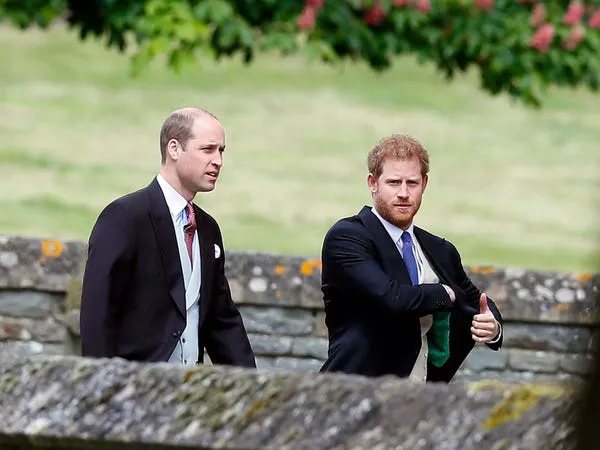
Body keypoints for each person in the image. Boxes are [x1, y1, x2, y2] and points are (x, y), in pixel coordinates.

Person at [80, 107, 256, 368]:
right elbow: (98, 313)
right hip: (131, 390)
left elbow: (221, 321)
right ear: (174, 148)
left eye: (221, 151)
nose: (218, 160)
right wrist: (102, 389)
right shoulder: (125, 217)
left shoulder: (208, 229)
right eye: (208, 150)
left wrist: (252, 388)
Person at [319, 134, 503, 382]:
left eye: (412, 183)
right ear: (373, 183)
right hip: (354, 392)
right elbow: (391, 298)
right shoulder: (348, 237)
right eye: (394, 182)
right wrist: (443, 294)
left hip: (422, 398)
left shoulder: (440, 249)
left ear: (424, 184)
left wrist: (492, 326)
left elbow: (475, 300)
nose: (404, 193)